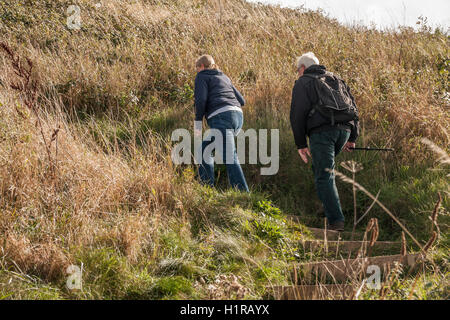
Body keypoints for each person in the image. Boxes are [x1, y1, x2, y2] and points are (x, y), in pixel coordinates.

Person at [289, 52, 359, 231]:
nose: (298, 73)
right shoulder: (337, 79)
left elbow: (297, 114)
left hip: (322, 133)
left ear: (303, 68)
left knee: (324, 175)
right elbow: (353, 108)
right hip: (343, 131)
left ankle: (336, 221)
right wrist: (352, 137)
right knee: (321, 169)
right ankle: (327, 208)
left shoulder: (303, 82)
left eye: (298, 70)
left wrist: (301, 144)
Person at [194, 54, 249, 192]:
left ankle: (243, 194)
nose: (196, 71)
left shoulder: (202, 76)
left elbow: (201, 101)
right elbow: (241, 100)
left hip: (221, 118)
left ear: (201, 66)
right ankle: (207, 189)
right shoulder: (224, 77)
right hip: (237, 117)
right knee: (204, 150)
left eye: (197, 68)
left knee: (230, 156)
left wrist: (198, 124)